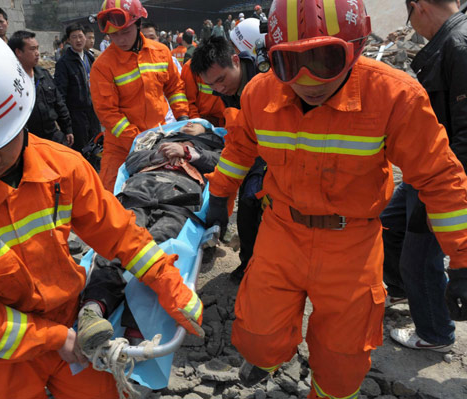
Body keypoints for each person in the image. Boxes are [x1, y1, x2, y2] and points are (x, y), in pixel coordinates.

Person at [0, 20, 203, 399]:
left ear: (22, 115)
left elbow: (118, 232)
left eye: (1, 144)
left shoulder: (63, 167)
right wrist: (52, 338)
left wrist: (165, 279)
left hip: (66, 322)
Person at [204, 0, 467, 397]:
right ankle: (269, 358)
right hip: (281, 234)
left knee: (342, 363)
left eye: (325, 58)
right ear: (270, 58)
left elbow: (438, 177)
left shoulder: (394, 97)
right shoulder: (259, 94)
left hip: (353, 246)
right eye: (291, 64)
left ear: (356, 46)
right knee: (257, 336)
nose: (309, 81)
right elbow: (240, 150)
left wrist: (463, 259)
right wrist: (217, 200)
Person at [77, 121, 221, 353]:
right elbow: (131, 162)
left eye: (197, 124)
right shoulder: (158, 140)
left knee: (159, 247)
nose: (192, 123)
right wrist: (159, 155)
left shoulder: (213, 146)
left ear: (208, 133)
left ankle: (138, 325)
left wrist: (188, 154)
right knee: (116, 244)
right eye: (189, 122)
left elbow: (222, 166)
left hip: (179, 196)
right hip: (139, 188)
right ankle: (93, 309)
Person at [381, 0, 467, 353]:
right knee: (388, 221)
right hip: (427, 168)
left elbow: (464, 134)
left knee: (418, 257)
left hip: (442, 174)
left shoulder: (458, 47)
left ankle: (435, 333)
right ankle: (403, 289)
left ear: (418, 7)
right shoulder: (452, 41)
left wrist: (437, 194)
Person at [90, 0, 189, 191]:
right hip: (120, 146)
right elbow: (108, 113)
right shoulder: (102, 66)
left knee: (168, 193)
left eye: (125, 32)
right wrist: (139, 142)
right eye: (114, 35)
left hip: (162, 136)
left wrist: (183, 118)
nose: (120, 40)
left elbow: (175, 88)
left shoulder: (161, 52)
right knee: (112, 196)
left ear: (138, 25)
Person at [191, 35, 263, 281]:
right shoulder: (229, 91)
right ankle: (251, 264)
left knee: (257, 203)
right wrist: (220, 197)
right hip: (256, 152)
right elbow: (238, 144)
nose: (219, 88)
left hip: (286, 157)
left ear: (235, 59)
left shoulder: (265, 80)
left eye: (221, 80)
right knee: (248, 209)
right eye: (213, 85)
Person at [9, 30, 74, 148]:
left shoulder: (43, 75)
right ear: (18, 52)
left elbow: (59, 104)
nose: (37, 53)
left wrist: (67, 128)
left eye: (37, 48)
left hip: (53, 137)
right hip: (29, 142)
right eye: (32, 49)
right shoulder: (12, 82)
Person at [54, 24, 98, 152]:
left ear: (85, 37)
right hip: (76, 115)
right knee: (82, 149)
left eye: (80, 36)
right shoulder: (64, 63)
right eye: (74, 37)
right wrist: (65, 123)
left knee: (96, 146)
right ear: (68, 40)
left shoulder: (89, 58)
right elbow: (60, 94)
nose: (78, 40)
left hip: (92, 112)